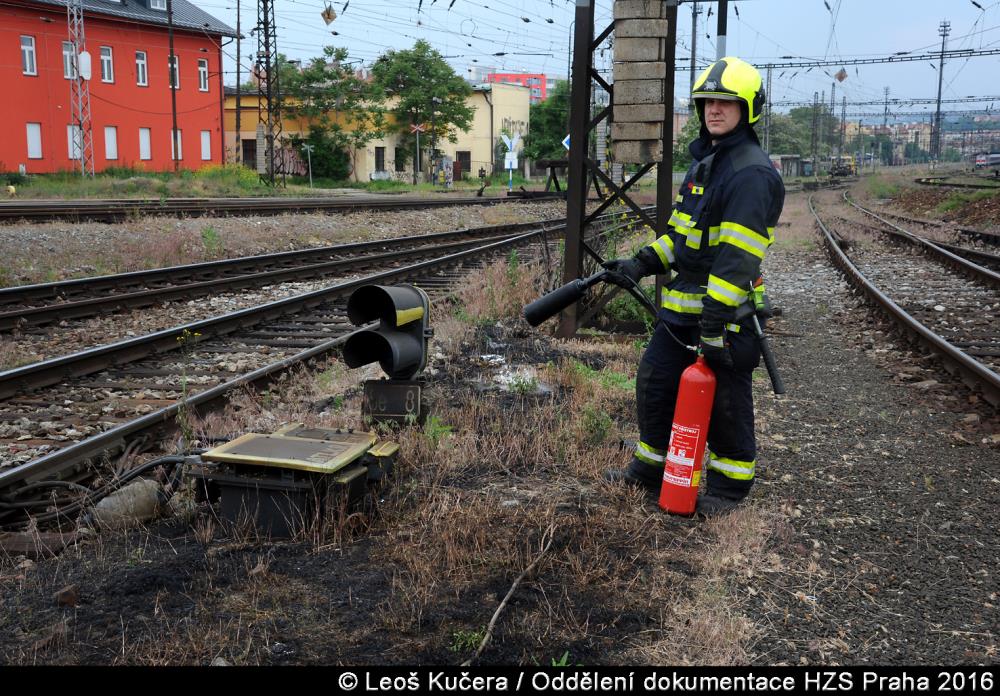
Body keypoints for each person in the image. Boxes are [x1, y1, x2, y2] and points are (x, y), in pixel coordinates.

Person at [603, 56, 785, 517]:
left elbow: (737, 257)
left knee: (725, 403)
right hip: (680, 312)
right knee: (657, 383)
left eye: (727, 102)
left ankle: (728, 490)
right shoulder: (705, 164)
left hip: (725, 317)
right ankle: (650, 469)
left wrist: (716, 320)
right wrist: (642, 263)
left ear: (749, 109)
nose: (714, 110)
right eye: (708, 102)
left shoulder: (751, 173)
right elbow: (683, 236)